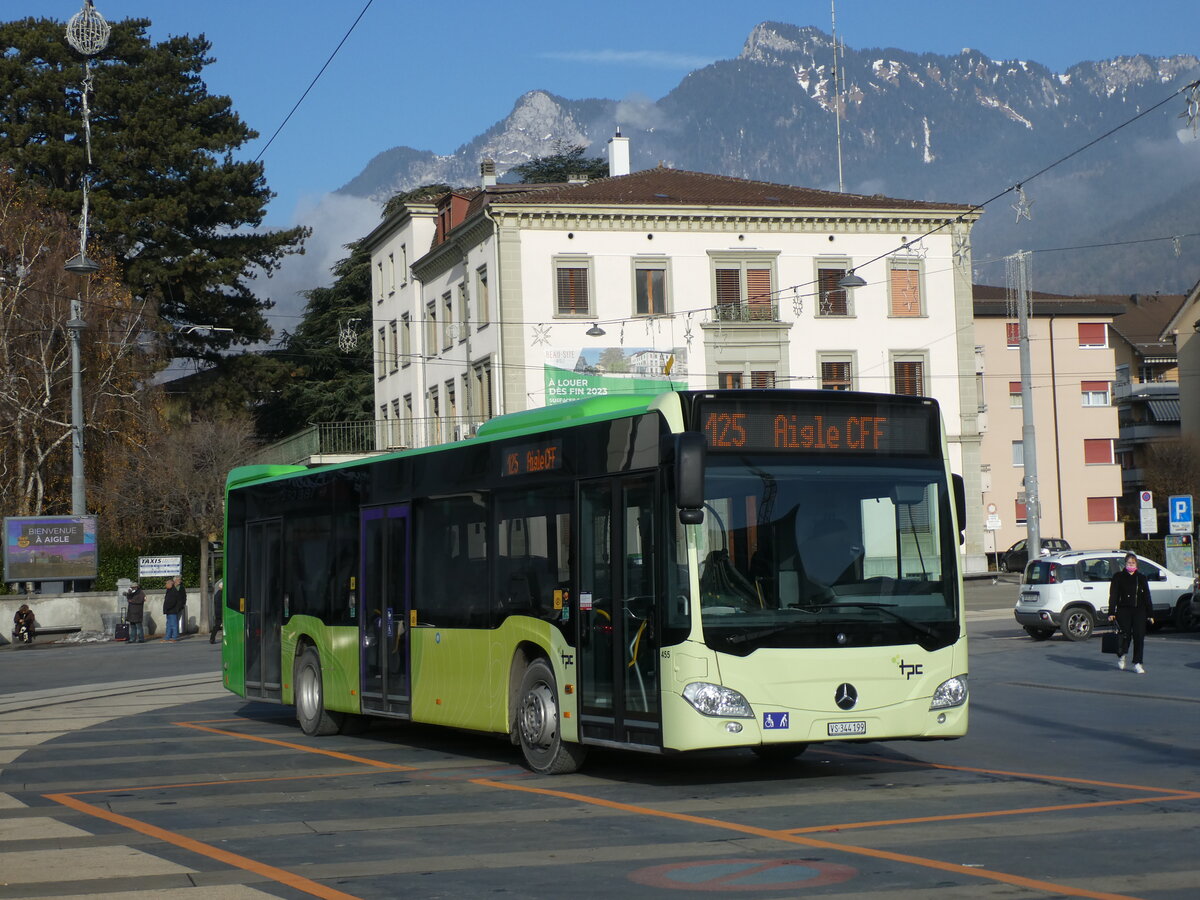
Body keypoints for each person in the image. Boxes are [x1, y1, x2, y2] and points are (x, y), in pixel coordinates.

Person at [1108, 553, 1154, 674]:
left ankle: (1137, 663)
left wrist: (1150, 613)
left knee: (1139, 636)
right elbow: (1113, 595)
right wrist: (1111, 612)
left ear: (1136, 564)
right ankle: (1122, 655)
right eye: (1129, 563)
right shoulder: (1118, 577)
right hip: (1124, 610)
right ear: (1125, 564)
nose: (1131, 565)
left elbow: (1147, 596)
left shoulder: (1141, 577)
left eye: (1133, 563)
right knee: (1125, 635)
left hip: (1139, 610)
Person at [163, 577, 186, 642]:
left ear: (170, 584)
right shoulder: (169, 590)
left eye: (167, 584)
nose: (166, 585)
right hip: (169, 610)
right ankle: (167, 637)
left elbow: (173, 601)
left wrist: (168, 607)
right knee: (169, 624)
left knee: (173, 624)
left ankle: (174, 637)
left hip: (172, 610)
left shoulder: (173, 591)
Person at [209, 579, 223, 644]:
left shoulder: (217, 594)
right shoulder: (221, 594)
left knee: (217, 625)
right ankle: (212, 638)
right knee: (218, 625)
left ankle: (212, 638)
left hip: (217, 612)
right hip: (220, 612)